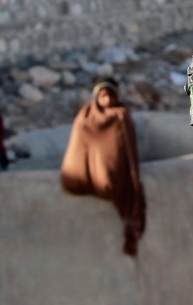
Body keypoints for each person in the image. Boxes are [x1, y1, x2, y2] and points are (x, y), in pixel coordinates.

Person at [61, 79, 147, 257]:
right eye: (103, 95)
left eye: (110, 95)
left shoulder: (121, 115)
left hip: (114, 172)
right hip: (86, 173)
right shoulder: (85, 117)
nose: (107, 100)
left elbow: (125, 149)